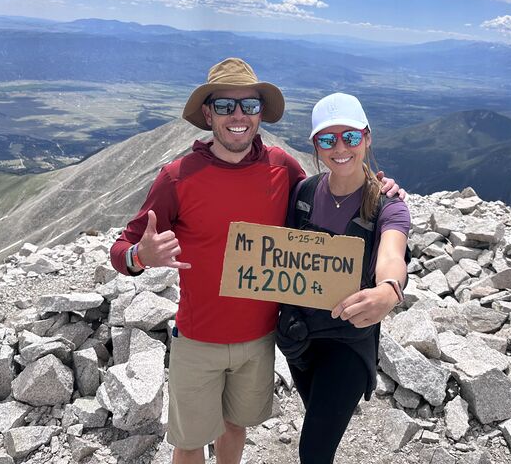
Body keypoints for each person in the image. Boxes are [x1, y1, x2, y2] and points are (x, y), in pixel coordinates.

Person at [109, 59, 401, 464]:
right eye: (225, 106)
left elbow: (333, 190)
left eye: (248, 105)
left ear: (261, 112)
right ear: (208, 113)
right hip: (198, 338)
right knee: (190, 441)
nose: (239, 115)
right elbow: (121, 250)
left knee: (234, 427)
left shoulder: (283, 168)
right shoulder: (177, 176)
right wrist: (141, 256)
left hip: (260, 340)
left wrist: (380, 188)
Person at [276, 92, 411, 464]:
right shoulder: (302, 193)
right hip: (298, 338)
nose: (340, 148)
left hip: (347, 343)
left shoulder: (389, 205)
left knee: (314, 450)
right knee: (318, 428)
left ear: (367, 138)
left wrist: (389, 290)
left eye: (350, 137)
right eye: (327, 139)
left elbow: (391, 255)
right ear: (315, 145)